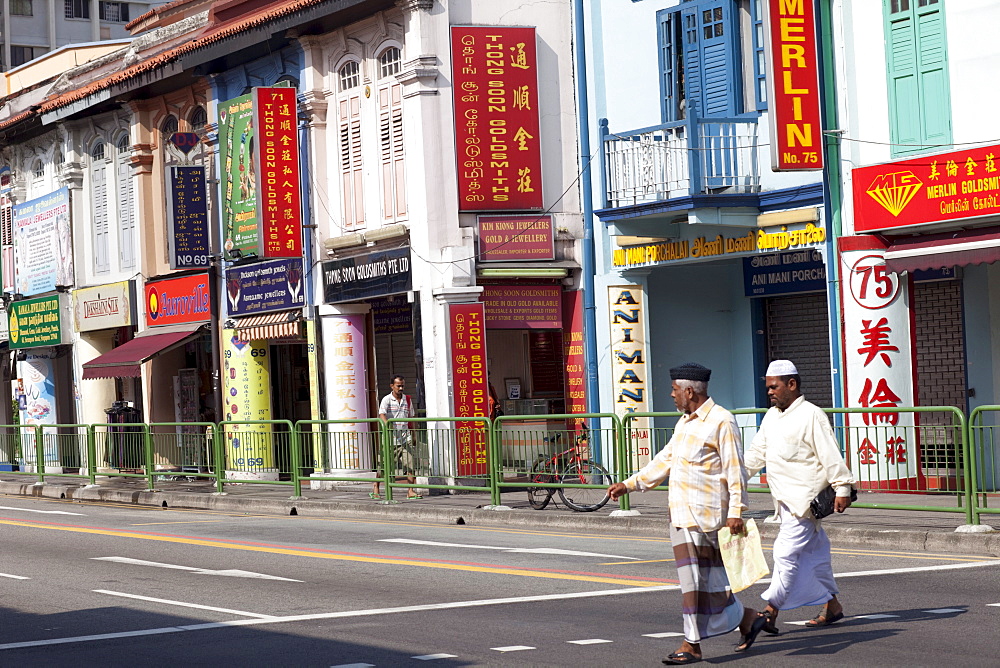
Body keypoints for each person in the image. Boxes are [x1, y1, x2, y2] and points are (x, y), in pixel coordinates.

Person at [607, 363, 769, 665]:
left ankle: (692, 644)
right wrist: (629, 484)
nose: (672, 395)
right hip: (680, 516)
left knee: (697, 584)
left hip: (707, 517)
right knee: (702, 584)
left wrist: (736, 510)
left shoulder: (721, 421)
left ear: (690, 391)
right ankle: (747, 618)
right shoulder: (685, 423)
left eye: (674, 390)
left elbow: (737, 471)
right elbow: (664, 460)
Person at [744, 360, 857, 632]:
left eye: (775, 387)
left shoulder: (812, 415)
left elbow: (830, 455)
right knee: (814, 557)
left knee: (785, 553)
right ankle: (833, 606)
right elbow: (755, 455)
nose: (769, 392)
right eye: (767, 387)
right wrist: (729, 481)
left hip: (805, 503)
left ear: (791, 385)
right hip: (783, 502)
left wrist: (842, 487)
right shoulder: (772, 417)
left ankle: (769, 611)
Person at [372, 375, 421, 500]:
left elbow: (411, 418)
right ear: (392, 386)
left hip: (405, 438)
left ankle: (410, 491)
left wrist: (414, 435)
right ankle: (376, 487)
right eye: (398, 385)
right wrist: (388, 425)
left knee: (411, 464)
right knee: (383, 466)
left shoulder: (407, 400)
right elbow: (382, 414)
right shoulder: (387, 399)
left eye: (402, 385)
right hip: (390, 440)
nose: (400, 388)